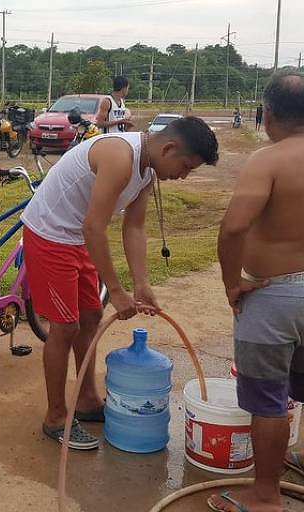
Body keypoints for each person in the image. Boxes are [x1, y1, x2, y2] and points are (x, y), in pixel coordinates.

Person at [21, 117, 218, 451]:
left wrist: (141, 284)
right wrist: (115, 290)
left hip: (74, 238)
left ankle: (87, 399)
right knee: (66, 327)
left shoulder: (147, 170)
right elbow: (94, 226)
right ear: (169, 148)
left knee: (91, 318)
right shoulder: (120, 156)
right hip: (49, 233)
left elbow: (134, 228)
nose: (183, 176)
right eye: (185, 167)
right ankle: (56, 416)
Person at [210, 71, 304, 512]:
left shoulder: (268, 160)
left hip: (276, 296)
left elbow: (233, 227)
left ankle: (265, 497)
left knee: (267, 401)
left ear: (266, 114)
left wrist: (234, 282)